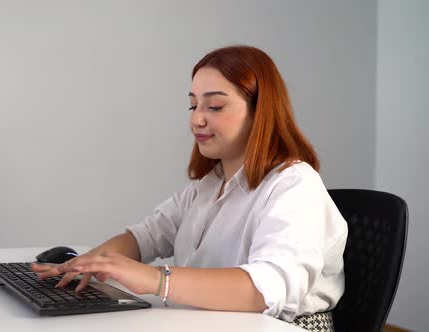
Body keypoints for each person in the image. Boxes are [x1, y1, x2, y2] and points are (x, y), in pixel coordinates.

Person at [32, 45, 348, 332]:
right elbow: (145, 238)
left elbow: (266, 289)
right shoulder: (208, 186)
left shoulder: (294, 185)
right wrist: (84, 265)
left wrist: (155, 279)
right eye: (193, 105)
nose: (197, 119)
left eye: (214, 107)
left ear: (260, 112)